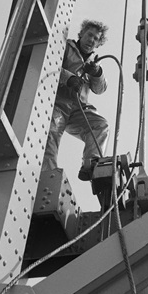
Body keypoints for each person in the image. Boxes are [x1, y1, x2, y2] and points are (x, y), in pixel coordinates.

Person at [42, 19, 109, 181]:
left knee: (100, 125)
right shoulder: (65, 48)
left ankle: (90, 164)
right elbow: (49, 65)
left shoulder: (94, 63)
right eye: (89, 35)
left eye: (95, 38)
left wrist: (97, 73)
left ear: (99, 44)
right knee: (51, 134)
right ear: (82, 34)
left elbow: (100, 90)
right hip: (58, 103)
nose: (91, 40)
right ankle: (48, 176)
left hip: (79, 108)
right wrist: (69, 78)